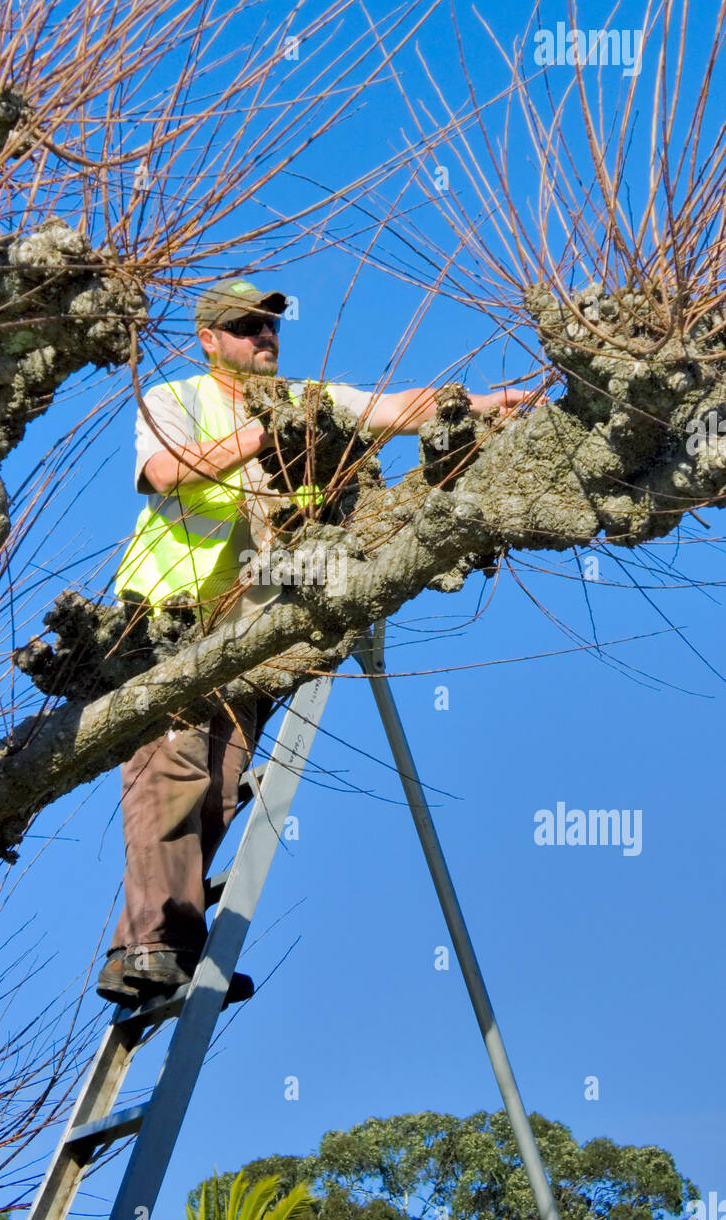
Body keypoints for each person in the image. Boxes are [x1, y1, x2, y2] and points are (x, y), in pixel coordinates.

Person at [97, 278, 529, 1004]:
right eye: (242, 327)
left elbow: (395, 408)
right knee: (170, 773)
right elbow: (164, 472)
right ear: (209, 340)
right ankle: (153, 947)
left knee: (218, 794)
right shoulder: (176, 397)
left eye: (269, 325)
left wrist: (482, 404)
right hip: (170, 616)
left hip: (257, 626)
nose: (262, 337)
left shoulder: (310, 400)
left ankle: (152, 949)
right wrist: (264, 437)